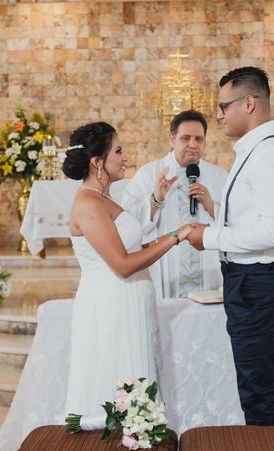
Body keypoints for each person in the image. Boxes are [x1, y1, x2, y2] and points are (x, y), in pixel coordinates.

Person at [187, 67, 274, 426]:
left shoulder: (269, 154)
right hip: (252, 280)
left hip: (263, 283)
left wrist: (208, 238)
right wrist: (213, 223)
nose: (219, 115)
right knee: (257, 388)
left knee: (261, 395)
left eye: (224, 106)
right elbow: (251, 218)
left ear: (249, 103)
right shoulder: (254, 150)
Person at [62, 122, 194, 419]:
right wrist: (176, 236)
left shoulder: (104, 198)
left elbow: (134, 245)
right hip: (111, 304)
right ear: (97, 162)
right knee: (115, 383)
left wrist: (169, 224)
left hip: (128, 302)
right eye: (118, 151)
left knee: (135, 385)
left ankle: (137, 443)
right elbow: (122, 264)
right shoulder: (87, 203)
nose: (125, 157)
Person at [121, 110, 228, 298]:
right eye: (185, 138)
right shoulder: (149, 173)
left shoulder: (218, 176)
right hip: (166, 272)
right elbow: (127, 223)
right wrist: (156, 199)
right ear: (172, 139)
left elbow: (237, 220)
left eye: (199, 139)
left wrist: (212, 206)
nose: (193, 145)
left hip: (208, 271)